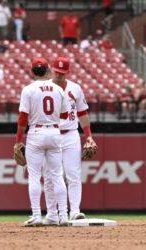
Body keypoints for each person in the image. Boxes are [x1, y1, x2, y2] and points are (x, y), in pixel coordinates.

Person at [15, 57, 70, 227]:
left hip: (36, 133)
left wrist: (18, 141)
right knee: (57, 176)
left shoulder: (28, 90)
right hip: (54, 131)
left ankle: (37, 215)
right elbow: (64, 115)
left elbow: (23, 118)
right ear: (47, 71)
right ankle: (63, 216)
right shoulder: (58, 89)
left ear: (32, 71)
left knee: (34, 176)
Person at [49, 57, 97, 221]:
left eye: (62, 73)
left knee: (73, 174)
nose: (59, 75)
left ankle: (75, 211)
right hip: (52, 134)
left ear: (67, 72)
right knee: (52, 176)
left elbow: (82, 113)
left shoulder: (75, 88)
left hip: (71, 134)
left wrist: (89, 136)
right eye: (57, 72)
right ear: (52, 70)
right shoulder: (45, 88)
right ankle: (53, 213)